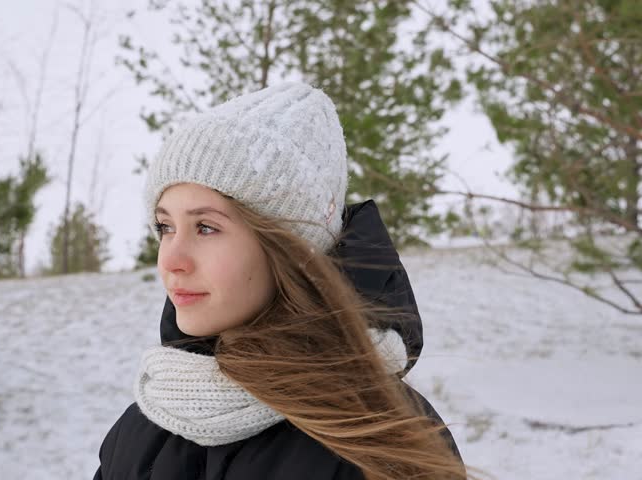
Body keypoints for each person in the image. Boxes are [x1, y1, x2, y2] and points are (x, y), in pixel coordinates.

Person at [94, 82, 467, 480]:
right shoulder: (144, 427)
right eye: (165, 226)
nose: (171, 260)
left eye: (205, 227)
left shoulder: (378, 438)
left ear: (292, 249)